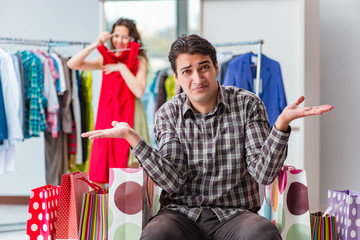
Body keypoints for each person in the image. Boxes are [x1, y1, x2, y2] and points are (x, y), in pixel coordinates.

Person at [81, 34, 333, 240]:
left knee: (263, 233)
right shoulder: (168, 113)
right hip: (180, 214)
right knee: (155, 235)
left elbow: (263, 174)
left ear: (215, 68)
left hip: (236, 215)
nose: (197, 78)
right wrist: (132, 137)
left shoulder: (248, 104)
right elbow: (173, 181)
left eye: (204, 68)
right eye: (187, 71)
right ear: (177, 78)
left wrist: (281, 125)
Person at [67, 18, 149, 184]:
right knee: (102, 161)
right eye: (116, 35)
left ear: (132, 38)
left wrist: (122, 68)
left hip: (131, 113)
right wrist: (96, 43)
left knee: (130, 167)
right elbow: (72, 64)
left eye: (124, 36)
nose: (119, 40)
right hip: (108, 115)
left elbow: (139, 90)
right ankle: (105, 206)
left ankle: (128, 206)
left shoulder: (140, 60)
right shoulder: (106, 58)